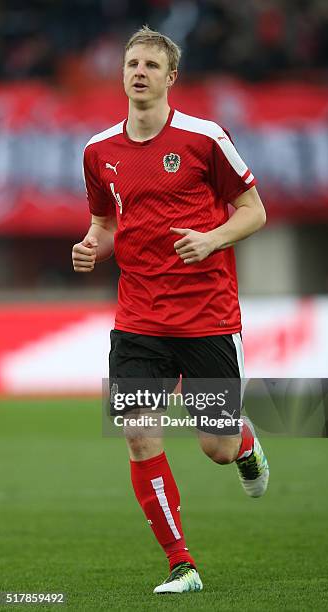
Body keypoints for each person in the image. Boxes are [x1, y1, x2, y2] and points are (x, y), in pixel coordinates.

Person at [72, 25, 269, 595]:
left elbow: (253, 211)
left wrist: (211, 240)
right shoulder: (97, 150)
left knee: (216, 447)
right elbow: (107, 224)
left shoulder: (205, 137)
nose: (139, 72)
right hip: (137, 318)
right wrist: (92, 246)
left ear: (171, 77)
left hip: (207, 314)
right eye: (132, 63)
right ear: (122, 73)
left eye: (151, 66)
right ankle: (182, 564)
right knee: (138, 434)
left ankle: (245, 443)